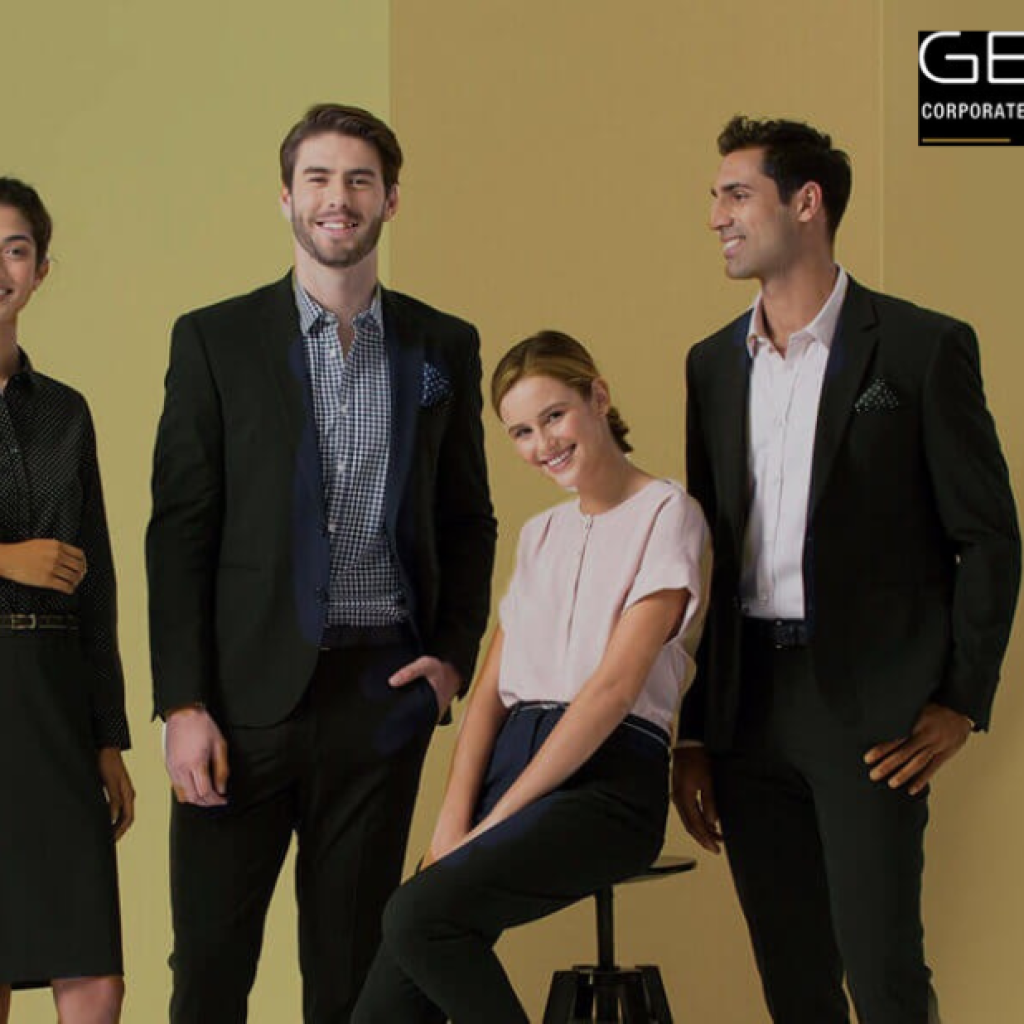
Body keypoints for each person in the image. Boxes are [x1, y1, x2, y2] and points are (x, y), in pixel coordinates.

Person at [146, 104, 496, 1023]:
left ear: (390, 201)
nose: (338, 198)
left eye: (359, 181)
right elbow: (180, 531)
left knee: (351, 979)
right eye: (319, 179)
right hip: (239, 704)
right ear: (286, 198)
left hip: (382, 697)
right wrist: (183, 703)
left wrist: (451, 659)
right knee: (210, 969)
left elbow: (467, 517)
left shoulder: (443, 346)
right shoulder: (214, 341)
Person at [674, 116, 1021, 1024]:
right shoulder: (711, 366)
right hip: (747, 709)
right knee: (794, 986)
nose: (716, 216)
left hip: (868, 711)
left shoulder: (919, 348)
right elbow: (709, 554)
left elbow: (989, 536)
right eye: (715, 196)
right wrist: (696, 732)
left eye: (736, 194)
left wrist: (961, 700)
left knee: (884, 975)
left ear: (807, 203)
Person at [352, 330, 711, 1024]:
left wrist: (499, 820)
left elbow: (612, 691)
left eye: (554, 416)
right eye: (521, 431)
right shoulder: (540, 535)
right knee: (389, 993)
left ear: (597, 397)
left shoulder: (669, 514)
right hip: (512, 763)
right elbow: (489, 697)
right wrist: (451, 828)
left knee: (417, 917)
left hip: (607, 779)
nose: (542, 444)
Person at [0, 178, 134, 1023]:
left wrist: (108, 737)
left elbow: (99, 582)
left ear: (41, 270)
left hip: (54, 696)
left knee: (93, 973)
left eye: (14, 250)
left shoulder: (66, 413)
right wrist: (6, 559)